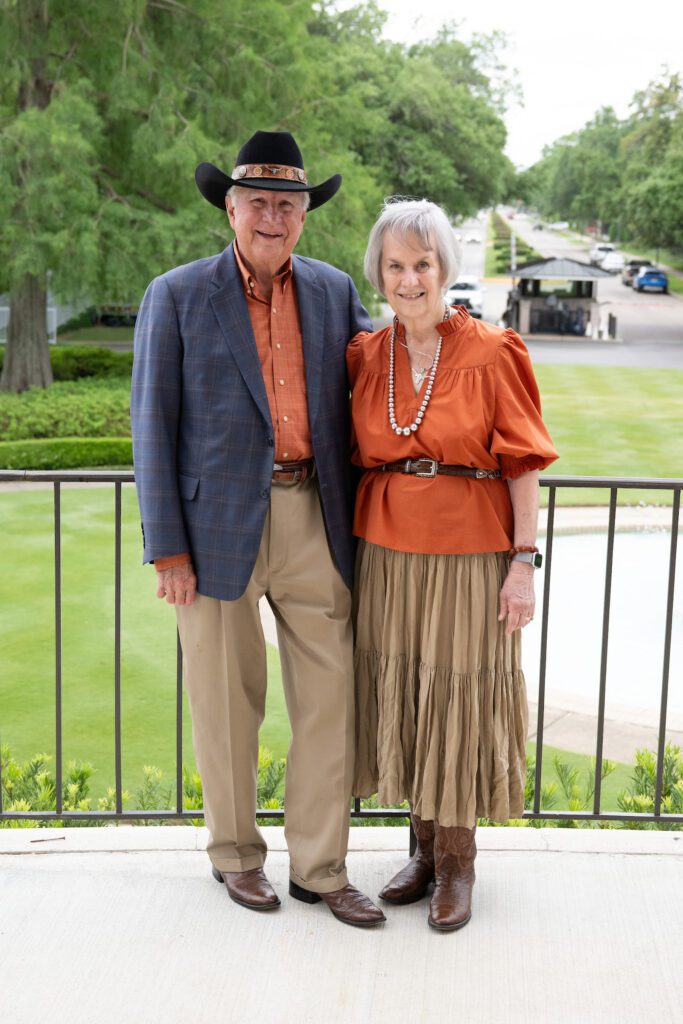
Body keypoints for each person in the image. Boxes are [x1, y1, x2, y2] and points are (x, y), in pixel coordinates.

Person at [130, 131, 385, 928]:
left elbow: (386, 373)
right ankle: (236, 858)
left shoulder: (335, 291)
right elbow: (152, 425)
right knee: (224, 701)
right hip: (209, 535)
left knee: (327, 702)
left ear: (304, 217)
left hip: (314, 514)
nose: (273, 217)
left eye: (288, 205)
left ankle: (319, 868)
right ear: (230, 210)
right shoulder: (174, 295)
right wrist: (167, 546)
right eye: (259, 203)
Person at [348, 198, 558, 931]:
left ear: (445, 269)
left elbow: (524, 462)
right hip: (386, 556)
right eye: (395, 265)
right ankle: (423, 849)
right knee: (408, 691)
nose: (409, 279)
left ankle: (458, 861)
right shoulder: (367, 356)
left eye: (422, 264)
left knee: (459, 696)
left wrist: (522, 562)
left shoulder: (493, 351)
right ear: (378, 271)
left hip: (469, 553)